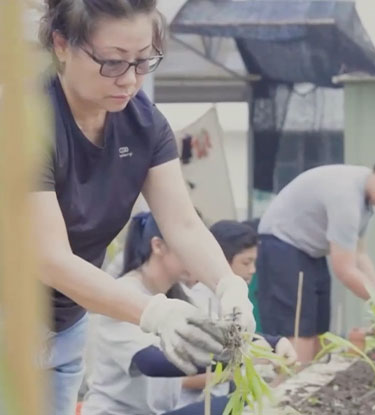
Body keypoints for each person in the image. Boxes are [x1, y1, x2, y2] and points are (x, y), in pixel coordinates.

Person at [34, 2, 253, 413]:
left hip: (67, 324)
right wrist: (153, 312)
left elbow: (183, 225)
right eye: (113, 63)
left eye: (143, 61)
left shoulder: (144, 124)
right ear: (62, 44)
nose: (130, 80)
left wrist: (228, 286)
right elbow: (50, 260)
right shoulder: (25, 123)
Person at [256, 152, 375, 363]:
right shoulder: (347, 196)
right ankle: (292, 389)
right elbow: (345, 270)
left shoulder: (366, 201)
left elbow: (360, 255)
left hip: (311, 252)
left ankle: (309, 383)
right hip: (282, 245)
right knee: (300, 331)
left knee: (320, 330)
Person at [82, 213, 232, 415]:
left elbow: (212, 334)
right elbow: (152, 363)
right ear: (158, 246)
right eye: (190, 250)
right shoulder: (123, 295)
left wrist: (270, 344)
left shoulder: (180, 296)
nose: (198, 260)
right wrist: (233, 356)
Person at [180, 220, 297, 405]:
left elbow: (245, 339)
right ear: (221, 262)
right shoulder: (197, 305)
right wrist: (244, 365)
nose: (252, 270)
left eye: (254, 262)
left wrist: (276, 345)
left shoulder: (231, 302)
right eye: (246, 262)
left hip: (220, 399)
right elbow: (183, 381)